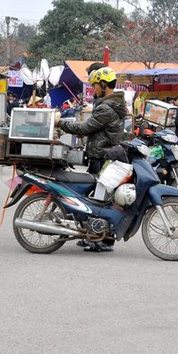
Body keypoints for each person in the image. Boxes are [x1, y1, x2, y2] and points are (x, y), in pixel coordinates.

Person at [56, 67, 126, 252]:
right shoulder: (114, 104)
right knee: (101, 198)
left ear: (103, 85)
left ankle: (102, 239)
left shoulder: (105, 108)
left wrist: (59, 122)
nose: (93, 89)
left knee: (99, 201)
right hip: (104, 154)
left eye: (95, 85)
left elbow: (85, 128)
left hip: (101, 157)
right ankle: (98, 236)